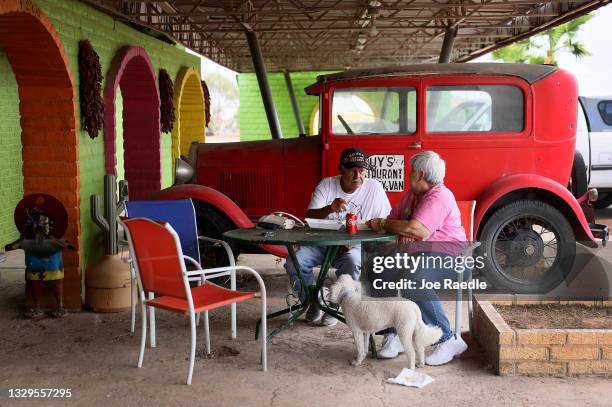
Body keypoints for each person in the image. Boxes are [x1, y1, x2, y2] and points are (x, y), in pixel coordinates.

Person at [367, 151, 468, 365]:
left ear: (421, 175)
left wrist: (386, 224)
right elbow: (393, 219)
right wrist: (386, 224)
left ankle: (447, 339)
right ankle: (394, 333)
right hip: (419, 255)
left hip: (450, 256)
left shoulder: (439, 195)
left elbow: (416, 229)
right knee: (379, 268)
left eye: (411, 171)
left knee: (414, 280)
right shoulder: (413, 195)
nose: (408, 175)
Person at [285, 147, 391, 326]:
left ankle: (335, 304)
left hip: (354, 244)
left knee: (353, 261)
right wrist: (329, 208)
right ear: (341, 169)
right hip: (322, 243)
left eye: (362, 170)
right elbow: (309, 217)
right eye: (353, 170)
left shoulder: (374, 188)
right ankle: (314, 300)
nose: (358, 175)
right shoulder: (327, 185)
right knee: (294, 261)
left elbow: (384, 221)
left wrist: (354, 241)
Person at [5, 209, 73, 318]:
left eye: (44, 224)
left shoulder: (55, 241)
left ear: (50, 226)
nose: (41, 227)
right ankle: (38, 306)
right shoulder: (29, 241)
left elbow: (68, 246)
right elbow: (10, 247)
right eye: (37, 224)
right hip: (35, 268)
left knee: (56, 283)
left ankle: (59, 305)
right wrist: (24, 232)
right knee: (35, 284)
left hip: (53, 268)